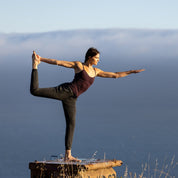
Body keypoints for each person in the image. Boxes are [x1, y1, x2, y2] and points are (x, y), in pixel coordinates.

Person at [30, 47, 144, 162]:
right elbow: (59, 62)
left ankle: (68, 155)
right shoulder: (79, 66)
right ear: (90, 57)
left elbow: (115, 75)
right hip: (65, 90)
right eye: (96, 58)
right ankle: (35, 65)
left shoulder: (96, 71)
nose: (98, 60)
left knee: (71, 124)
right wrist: (40, 59)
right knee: (35, 91)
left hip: (72, 99)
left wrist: (131, 72)